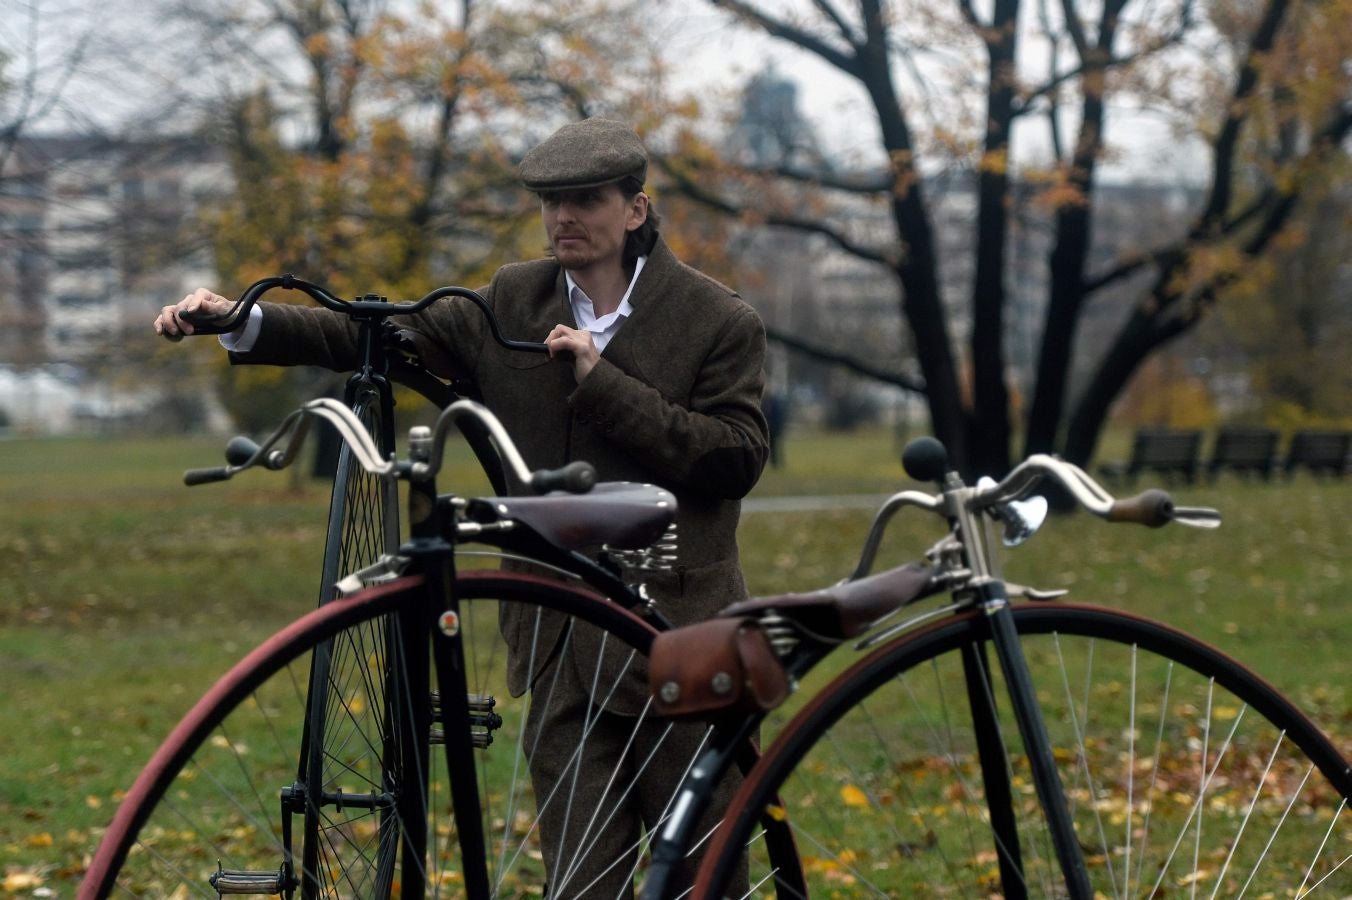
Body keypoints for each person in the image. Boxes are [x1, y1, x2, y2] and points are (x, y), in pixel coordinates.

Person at [155, 117, 769, 897]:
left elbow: (735, 458)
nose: (562, 218)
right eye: (550, 201)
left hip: (682, 637)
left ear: (636, 210)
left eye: (584, 199)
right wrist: (243, 320)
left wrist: (602, 379)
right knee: (582, 881)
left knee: (702, 876)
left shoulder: (718, 320)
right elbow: (375, 331)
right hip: (557, 639)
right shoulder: (512, 301)